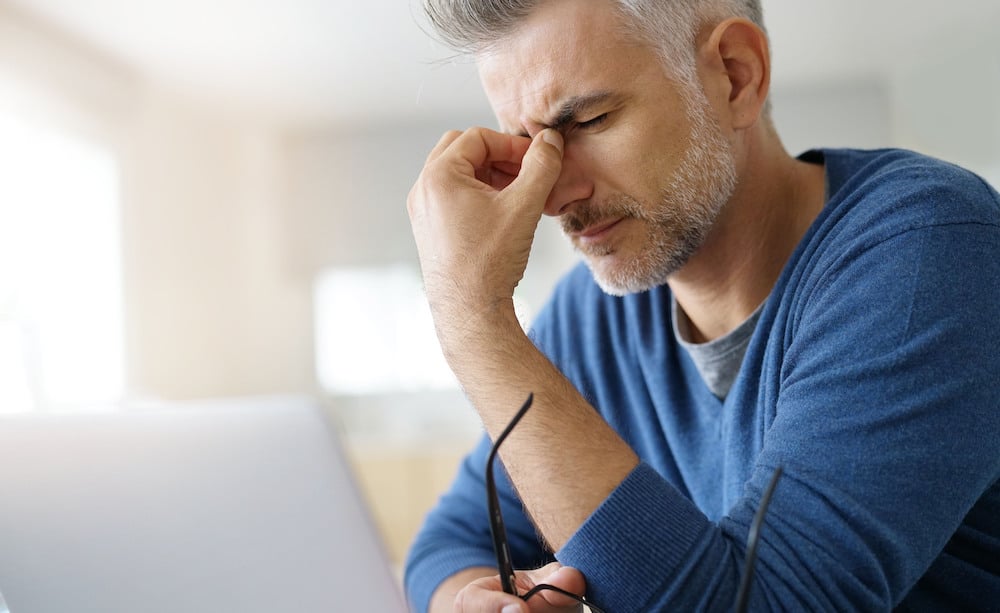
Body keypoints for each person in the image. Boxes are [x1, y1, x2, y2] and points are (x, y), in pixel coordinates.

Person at [403, 0, 1000, 610]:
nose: (554, 195)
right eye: (529, 146)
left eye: (590, 121)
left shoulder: (930, 246)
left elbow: (762, 603)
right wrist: (475, 602)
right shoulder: (591, 317)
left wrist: (473, 320)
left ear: (736, 76)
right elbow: (450, 543)